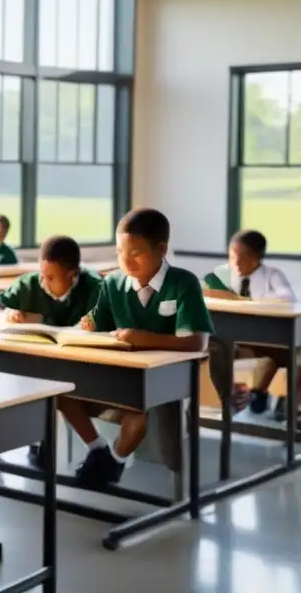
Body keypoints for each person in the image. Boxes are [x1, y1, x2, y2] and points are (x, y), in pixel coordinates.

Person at [63, 208, 213, 488]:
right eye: (120, 251)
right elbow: (100, 325)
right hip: (116, 372)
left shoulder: (183, 283)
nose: (126, 260)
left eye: (136, 252)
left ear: (162, 249)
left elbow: (197, 342)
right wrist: (87, 326)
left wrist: (145, 338)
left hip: (161, 378)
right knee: (62, 394)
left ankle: (114, 461)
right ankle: (100, 452)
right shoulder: (113, 283)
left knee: (137, 417)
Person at [0, 235, 103, 468]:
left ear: (73, 274)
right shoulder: (31, 283)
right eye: (42, 275)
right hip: (41, 365)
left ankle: (95, 449)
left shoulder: (95, 288)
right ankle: (26, 443)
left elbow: (101, 324)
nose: (44, 282)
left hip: (85, 365)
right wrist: (3, 316)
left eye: (52, 277)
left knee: (55, 387)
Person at [202, 229, 296, 417]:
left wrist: (245, 302)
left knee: (289, 356)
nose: (234, 262)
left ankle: (266, 397)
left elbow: (287, 299)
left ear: (255, 258)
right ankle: (227, 399)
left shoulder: (272, 275)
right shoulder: (224, 275)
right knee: (214, 347)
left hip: (266, 339)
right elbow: (204, 290)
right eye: (231, 256)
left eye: (240, 257)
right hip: (232, 338)